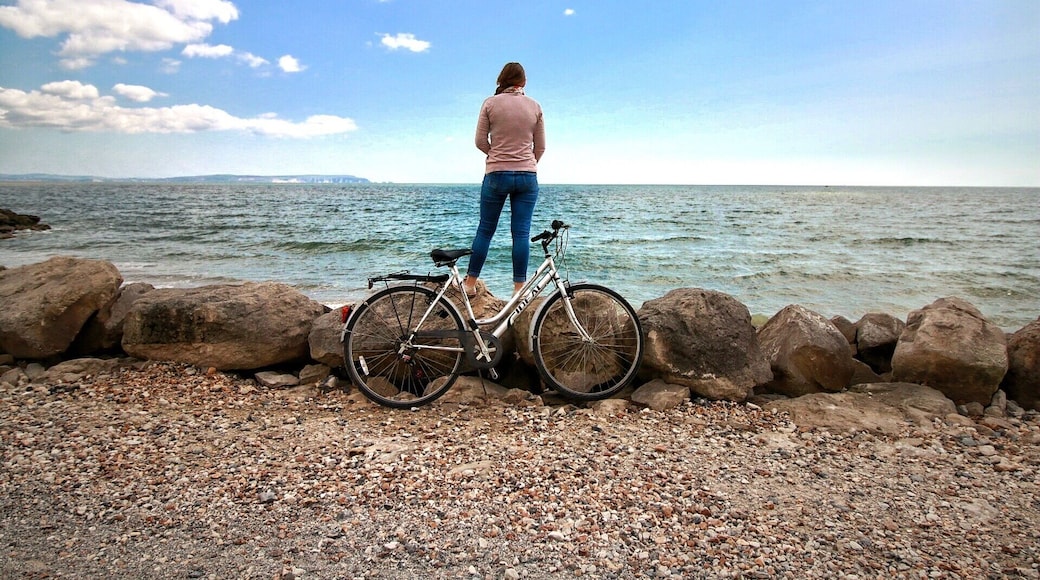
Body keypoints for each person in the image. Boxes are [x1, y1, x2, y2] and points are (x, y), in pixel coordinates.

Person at [463, 62, 546, 297]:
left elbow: (480, 141)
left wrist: (497, 156)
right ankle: (519, 289)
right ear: (523, 82)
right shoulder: (535, 106)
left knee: (485, 230)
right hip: (527, 176)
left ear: (502, 80)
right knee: (521, 234)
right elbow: (540, 147)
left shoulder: (490, 103)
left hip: (496, 174)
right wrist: (527, 164)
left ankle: (470, 284)